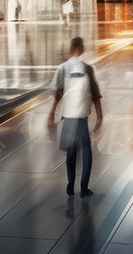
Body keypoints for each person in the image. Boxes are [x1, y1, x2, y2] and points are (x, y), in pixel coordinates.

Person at [47, 37, 103, 198]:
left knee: (70, 152)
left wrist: (52, 114)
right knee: (86, 152)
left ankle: (71, 184)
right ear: (79, 47)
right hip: (81, 117)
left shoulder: (63, 68)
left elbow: (58, 93)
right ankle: (83, 188)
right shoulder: (86, 68)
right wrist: (100, 117)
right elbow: (95, 95)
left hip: (68, 116)